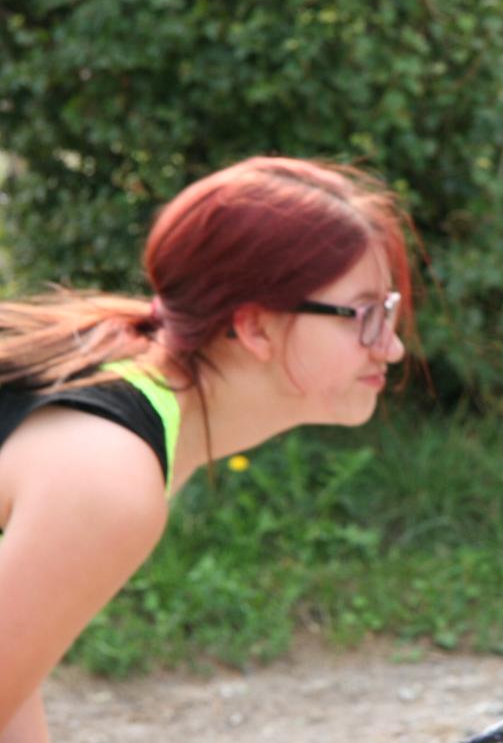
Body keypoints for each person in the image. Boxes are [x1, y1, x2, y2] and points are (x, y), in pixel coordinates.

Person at [0, 156, 415, 741]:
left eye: (389, 312)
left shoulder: (132, 407)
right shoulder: (110, 476)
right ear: (254, 328)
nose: (391, 348)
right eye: (366, 314)